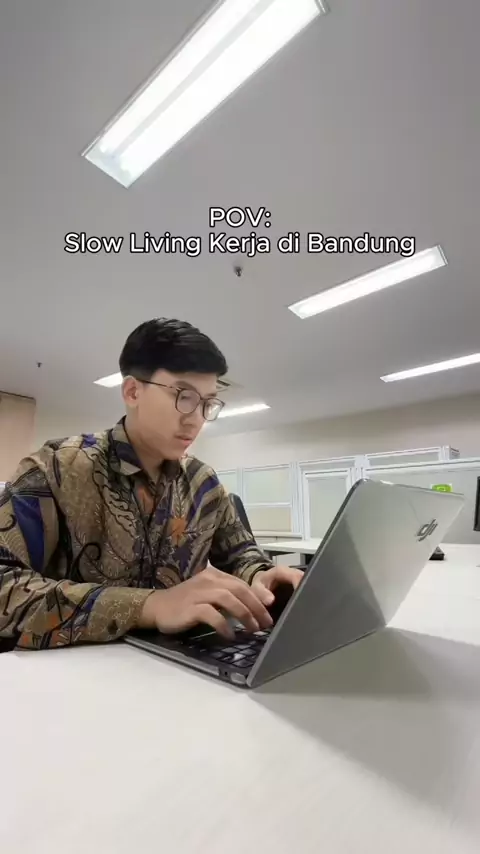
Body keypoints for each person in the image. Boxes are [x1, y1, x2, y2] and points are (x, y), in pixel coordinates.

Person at [0, 318, 302, 651]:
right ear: (132, 391)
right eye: (184, 396)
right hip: (75, 671)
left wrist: (261, 576)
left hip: (183, 664)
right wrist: (149, 606)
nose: (196, 418)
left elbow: (241, 555)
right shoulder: (55, 469)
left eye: (207, 403)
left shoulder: (203, 484)